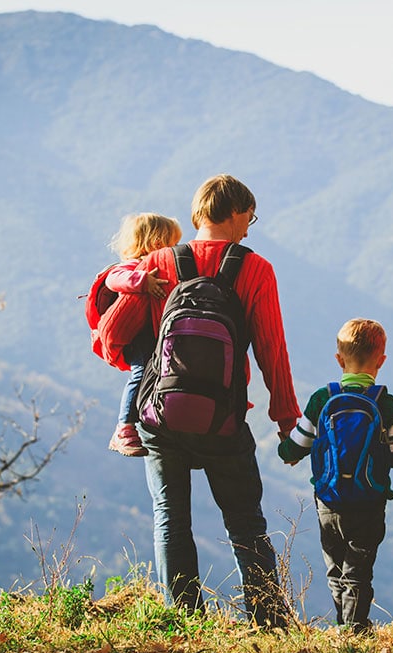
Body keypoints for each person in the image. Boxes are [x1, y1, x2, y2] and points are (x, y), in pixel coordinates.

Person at [106, 174, 301, 628]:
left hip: (161, 417)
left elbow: (113, 333)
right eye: (249, 217)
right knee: (245, 521)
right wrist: (285, 417)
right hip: (224, 421)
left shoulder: (157, 263)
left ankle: (186, 624)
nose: (250, 228)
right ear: (233, 213)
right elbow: (273, 349)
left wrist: (142, 357)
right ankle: (269, 623)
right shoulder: (255, 269)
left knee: (170, 517)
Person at [278, 318, 393, 633]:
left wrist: (286, 452)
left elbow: (296, 447)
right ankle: (354, 629)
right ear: (381, 361)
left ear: (339, 359)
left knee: (335, 569)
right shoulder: (387, 404)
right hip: (369, 501)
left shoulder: (321, 399)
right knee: (359, 571)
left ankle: (345, 624)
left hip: (328, 501)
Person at [105, 213, 182, 457]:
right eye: (170, 243)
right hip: (138, 335)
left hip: (155, 332)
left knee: (154, 373)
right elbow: (112, 279)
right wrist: (142, 281)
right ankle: (124, 427)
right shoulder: (132, 265)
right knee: (140, 373)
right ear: (155, 242)